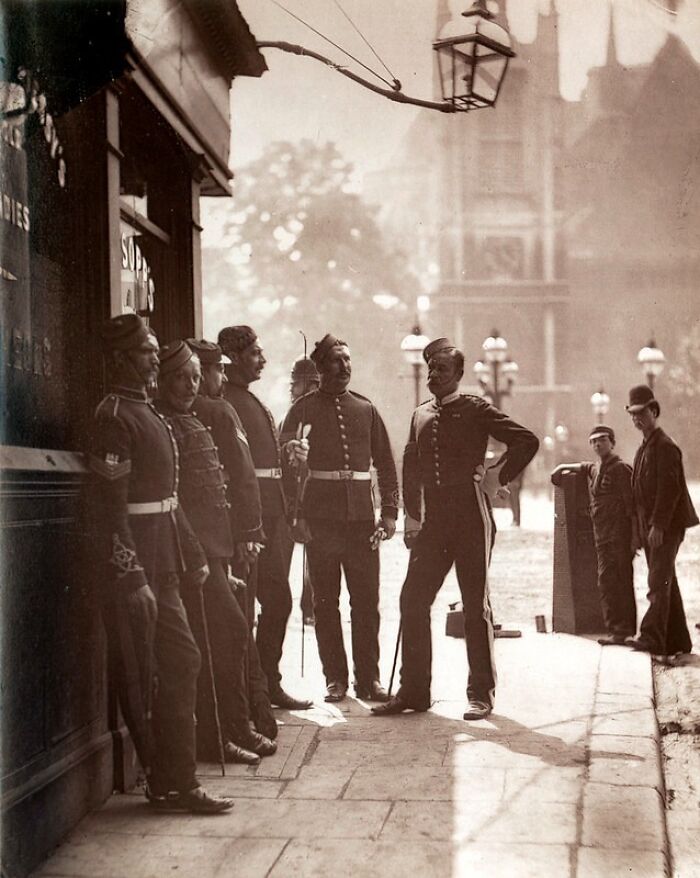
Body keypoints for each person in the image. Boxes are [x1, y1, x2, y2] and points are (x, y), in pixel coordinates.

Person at [88, 313, 232, 813]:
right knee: (141, 675)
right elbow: (110, 509)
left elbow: (170, 499)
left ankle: (177, 778)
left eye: (153, 350)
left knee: (182, 660)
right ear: (123, 358)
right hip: (136, 571)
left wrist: (191, 553)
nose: (155, 358)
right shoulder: (113, 416)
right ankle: (166, 781)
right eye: (147, 351)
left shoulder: (144, 411)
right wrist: (132, 577)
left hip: (165, 562)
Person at [372, 338, 539, 721]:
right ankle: (414, 691)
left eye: (441, 369)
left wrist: (496, 475)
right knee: (412, 599)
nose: (433, 374)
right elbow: (410, 467)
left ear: (458, 375)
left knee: (473, 605)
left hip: (470, 517)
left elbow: (526, 441)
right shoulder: (419, 415)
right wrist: (412, 518)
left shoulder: (475, 409)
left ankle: (480, 694)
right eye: (430, 368)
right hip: (435, 523)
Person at [156, 340, 277, 764]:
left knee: (224, 636)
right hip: (190, 557)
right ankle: (220, 734)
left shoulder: (192, 419)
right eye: (181, 378)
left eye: (194, 377)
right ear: (162, 380)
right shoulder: (165, 423)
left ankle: (233, 728)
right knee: (219, 637)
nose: (190, 385)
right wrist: (207, 557)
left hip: (213, 553)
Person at [280, 333, 399, 703]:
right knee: (325, 604)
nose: (344, 366)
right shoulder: (301, 409)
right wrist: (295, 512)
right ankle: (336, 679)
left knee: (366, 602)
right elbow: (284, 466)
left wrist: (390, 512)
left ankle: (369, 680)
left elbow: (386, 465)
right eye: (336, 361)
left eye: (348, 360)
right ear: (320, 368)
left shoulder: (366, 409)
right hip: (321, 520)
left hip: (363, 521)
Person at [187, 338, 278, 741]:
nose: (219, 378)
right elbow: (243, 476)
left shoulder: (197, 410)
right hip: (228, 538)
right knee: (236, 627)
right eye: (216, 370)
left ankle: (247, 720)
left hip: (211, 539)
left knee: (227, 629)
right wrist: (249, 535)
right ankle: (249, 722)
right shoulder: (220, 410)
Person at [218, 325, 312, 711]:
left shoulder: (250, 402)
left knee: (276, 602)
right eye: (256, 352)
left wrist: (289, 452)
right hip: (249, 522)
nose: (263, 359)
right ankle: (252, 690)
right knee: (255, 606)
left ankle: (264, 683)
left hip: (273, 517)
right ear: (235, 358)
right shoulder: (227, 403)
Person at [625, 384, 697, 657]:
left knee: (658, 581)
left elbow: (670, 491)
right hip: (653, 525)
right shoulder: (645, 447)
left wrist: (658, 525)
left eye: (641, 412)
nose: (636, 418)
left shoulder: (665, 447)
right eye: (632, 414)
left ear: (654, 411)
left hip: (664, 526)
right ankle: (679, 640)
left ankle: (652, 638)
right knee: (666, 580)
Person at [551, 425, 637, 645]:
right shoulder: (597, 468)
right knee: (606, 582)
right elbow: (584, 466)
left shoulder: (621, 469)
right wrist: (561, 467)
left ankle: (623, 630)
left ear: (612, 443)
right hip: (602, 537)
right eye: (594, 441)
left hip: (619, 536)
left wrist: (635, 538)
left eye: (603, 440)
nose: (598, 444)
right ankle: (614, 629)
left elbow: (632, 507)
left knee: (621, 582)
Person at [282, 356, 320, 625]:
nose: (297, 391)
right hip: (286, 498)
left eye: (302, 385)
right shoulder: (290, 416)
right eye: (297, 386)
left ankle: (310, 604)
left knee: (315, 559)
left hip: (314, 495)